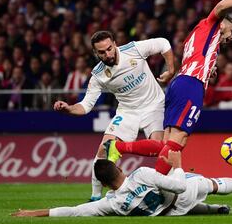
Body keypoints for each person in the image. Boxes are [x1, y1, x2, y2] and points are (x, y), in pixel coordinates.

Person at [105, 0, 232, 175]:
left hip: (180, 83)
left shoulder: (196, 36)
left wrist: (208, 70)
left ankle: (141, 168)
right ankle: (138, 167)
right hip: (191, 85)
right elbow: (221, 5)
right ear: (222, 24)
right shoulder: (211, 24)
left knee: (167, 144)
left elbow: (194, 58)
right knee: (178, 141)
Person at [53, 30, 175, 201]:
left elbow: (163, 42)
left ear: (115, 44)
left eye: (109, 48)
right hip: (127, 112)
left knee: (160, 149)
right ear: (95, 53)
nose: (108, 54)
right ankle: (95, 197)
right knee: (104, 149)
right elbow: (86, 106)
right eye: (102, 52)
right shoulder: (98, 75)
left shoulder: (133, 49)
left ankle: (168, 192)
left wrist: (170, 69)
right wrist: (69, 108)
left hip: (154, 106)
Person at [11, 151, 232, 217]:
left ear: (105, 185)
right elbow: (179, 187)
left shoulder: (113, 204)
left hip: (167, 214)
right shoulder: (140, 174)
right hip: (178, 197)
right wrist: (179, 165)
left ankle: (214, 209)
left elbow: (75, 211)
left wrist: (36, 212)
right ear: (119, 168)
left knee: (175, 203)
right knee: (207, 183)